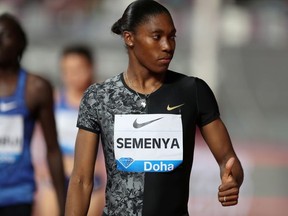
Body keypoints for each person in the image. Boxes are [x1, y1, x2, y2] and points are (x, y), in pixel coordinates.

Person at [65, 0, 244, 215]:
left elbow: (228, 160)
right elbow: (81, 180)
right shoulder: (99, 97)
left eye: (172, 36)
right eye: (157, 36)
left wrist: (233, 180)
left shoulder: (193, 91)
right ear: (129, 38)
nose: (167, 46)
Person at [0, 13, 66, 216]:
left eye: (6, 35)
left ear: (21, 42)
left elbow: (53, 150)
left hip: (18, 194)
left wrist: (64, 206)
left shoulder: (36, 88)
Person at [34, 44, 106, 216]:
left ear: (90, 68)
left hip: (90, 178)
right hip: (56, 176)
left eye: (78, 69)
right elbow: (37, 142)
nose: (72, 76)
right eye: (67, 70)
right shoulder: (53, 101)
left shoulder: (103, 104)